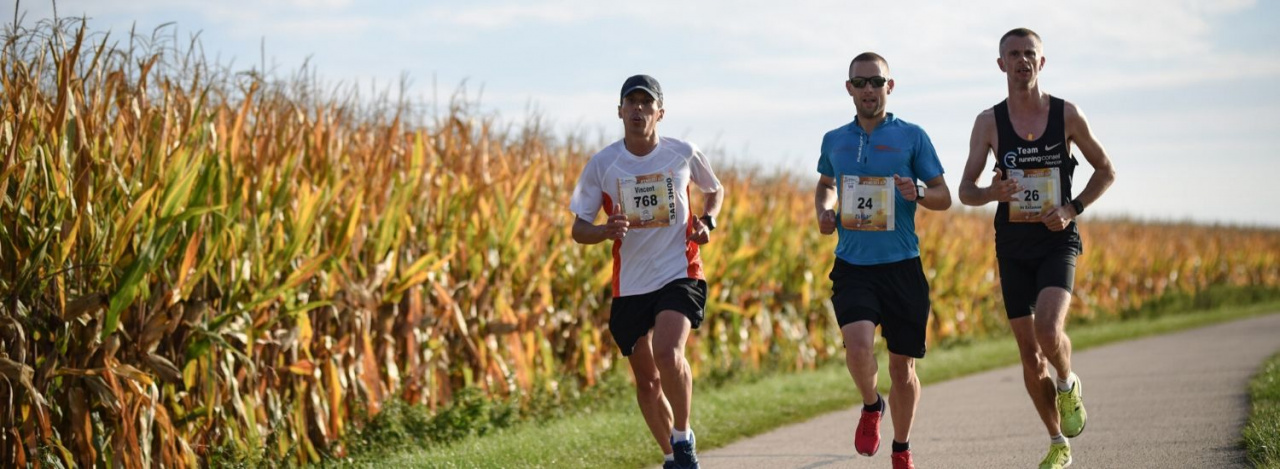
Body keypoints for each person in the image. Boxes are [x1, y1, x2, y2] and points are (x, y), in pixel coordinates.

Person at [958, 28, 1117, 469]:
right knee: (1029, 358)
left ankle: (1068, 384)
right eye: (1014, 54)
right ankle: (1056, 441)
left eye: (1030, 54)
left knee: (1049, 331)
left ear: (1041, 63)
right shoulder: (988, 122)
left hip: (1056, 240)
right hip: (1012, 247)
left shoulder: (1066, 114)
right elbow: (965, 190)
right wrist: (993, 191)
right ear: (1001, 64)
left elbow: (1106, 169)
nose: (1022, 61)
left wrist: (1072, 207)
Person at [569, 74, 724, 469]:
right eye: (631, 103)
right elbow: (578, 227)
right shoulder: (603, 165)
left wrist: (708, 221)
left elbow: (715, 190)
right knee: (648, 382)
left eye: (646, 103)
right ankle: (673, 457)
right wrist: (604, 231)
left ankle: (683, 436)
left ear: (660, 112)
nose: (638, 110)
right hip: (631, 282)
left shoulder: (683, 153)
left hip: (680, 271)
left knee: (668, 354)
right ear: (620, 111)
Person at [814, 52, 951, 469]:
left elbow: (944, 195)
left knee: (902, 367)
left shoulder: (912, 136)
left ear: (890, 86)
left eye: (877, 82)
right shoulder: (834, 139)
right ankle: (872, 406)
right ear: (849, 88)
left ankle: (901, 447)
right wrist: (824, 209)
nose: (869, 90)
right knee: (857, 347)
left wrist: (920, 194)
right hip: (853, 264)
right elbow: (825, 185)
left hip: (901, 266)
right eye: (861, 83)